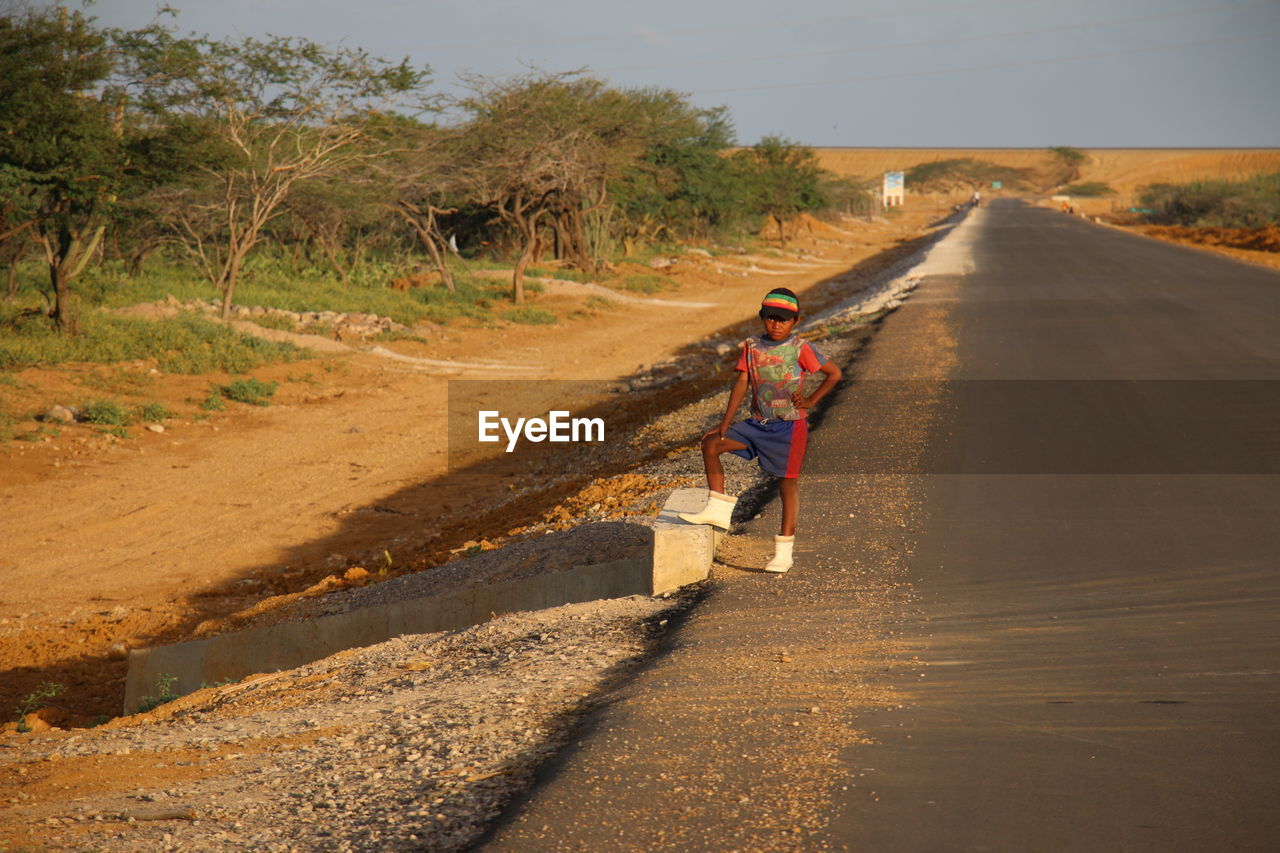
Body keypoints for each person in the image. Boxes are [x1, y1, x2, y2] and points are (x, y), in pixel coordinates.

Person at [677, 288, 843, 573]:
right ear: (762, 318)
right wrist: (725, 422)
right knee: (712, 444)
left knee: (786, 485)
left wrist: (812, 400)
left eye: (783, 319)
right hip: (757, 424)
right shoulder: (752, 346)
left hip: (790, 427)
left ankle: (783, 552)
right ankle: (717, 509)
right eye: (770, 318)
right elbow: (742, 383)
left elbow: (834, 373)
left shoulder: (800, 347)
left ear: (795, 321)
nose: (776, 324)